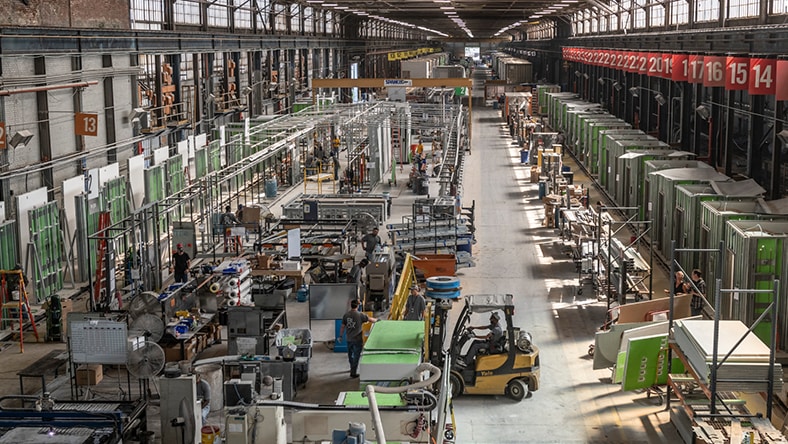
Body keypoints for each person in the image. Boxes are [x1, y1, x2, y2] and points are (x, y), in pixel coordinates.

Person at [338, 299, 378, 378]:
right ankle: (353, 373)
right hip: (357, 339)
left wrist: (340, 336)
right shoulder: (360, 315)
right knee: (356, 356)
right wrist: (378, 321)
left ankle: (351, 368)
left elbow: (342, 326)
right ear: (357, 306)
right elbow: (370, 320)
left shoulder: (346, 315)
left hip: (349, 339)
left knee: (350, 354)